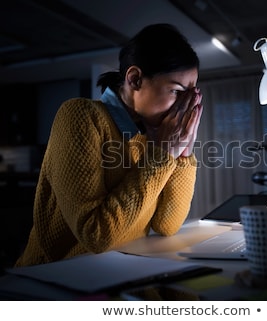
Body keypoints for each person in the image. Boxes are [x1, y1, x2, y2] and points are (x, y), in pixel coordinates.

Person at [15, 23, 203, 267]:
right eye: (177, 92)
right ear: (135, 79)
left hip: (120, 273)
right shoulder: (81, 116)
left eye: (191, 94)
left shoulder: (154, 136)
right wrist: (163, 153)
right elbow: (97, 236)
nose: (186, 106)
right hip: (56, 279)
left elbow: (167, 224)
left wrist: (183, 151)